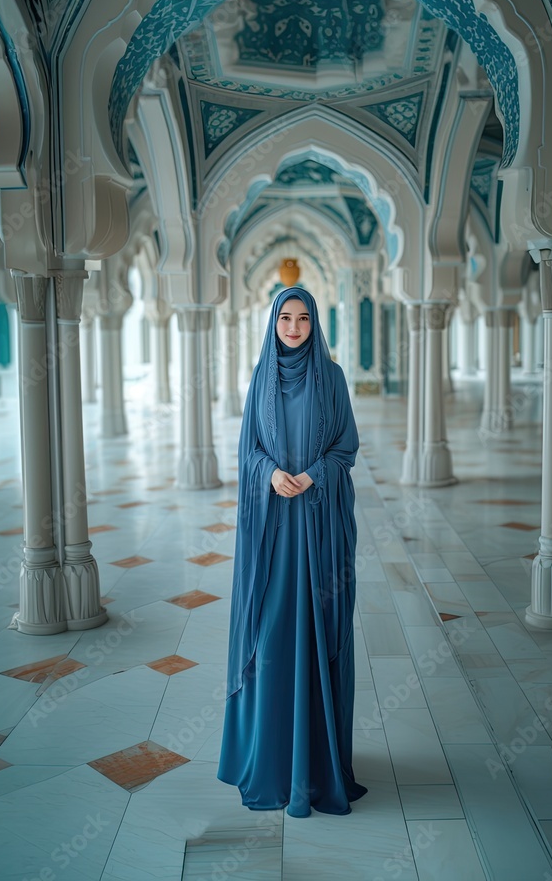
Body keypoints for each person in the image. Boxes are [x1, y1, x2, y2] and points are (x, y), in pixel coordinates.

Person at [217, 286, 368, 817]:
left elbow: (346, 447)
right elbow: (249, 451)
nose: (295, 327)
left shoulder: (333, 378)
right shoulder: (261, 377)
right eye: (286, 317)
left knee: (316, 630)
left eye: (304, 318)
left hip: (319, 529)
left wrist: (312, 475)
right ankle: (274, 760)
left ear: (314, 324)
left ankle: (318, 765)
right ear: (274, 322)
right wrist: (270, 473)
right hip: (275, 534)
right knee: (273, 633)